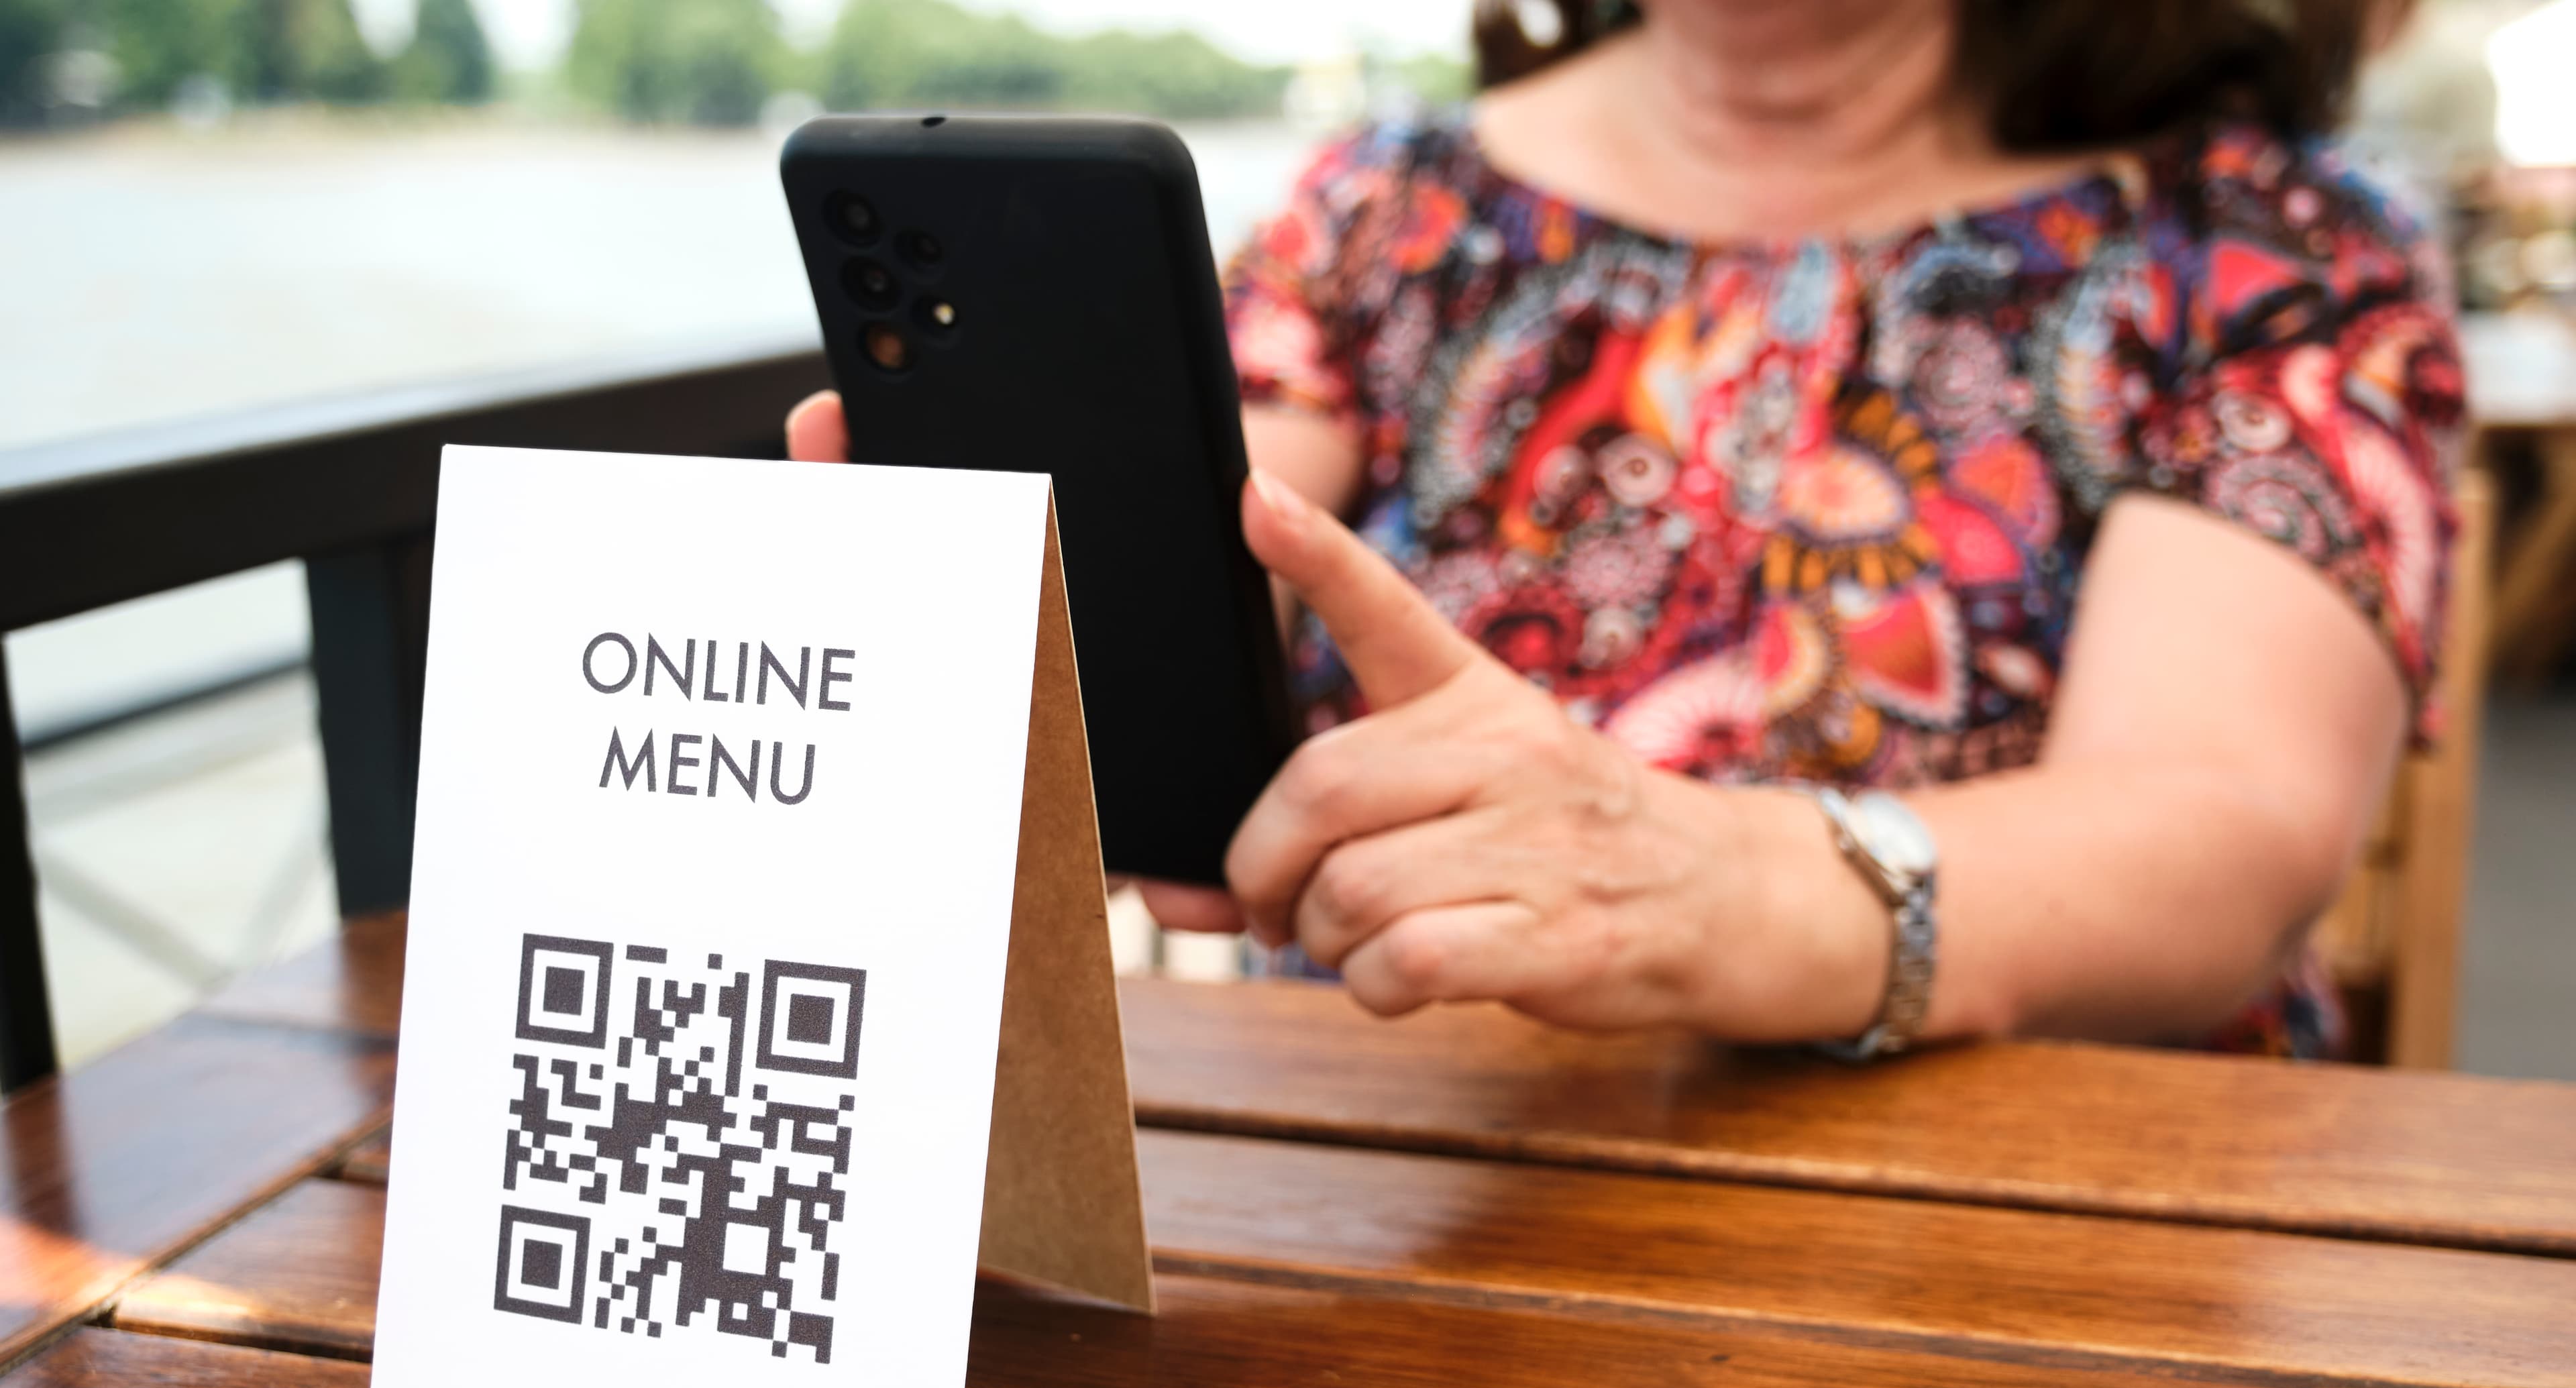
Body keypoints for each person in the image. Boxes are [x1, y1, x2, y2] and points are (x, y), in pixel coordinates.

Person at [789, 0, 2463, 1059]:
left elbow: (2223, 836)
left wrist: (1709, 886)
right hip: (1398, 1218)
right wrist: (946, 638)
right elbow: (1171, 568)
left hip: (2057, 1252)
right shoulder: (1390, 210)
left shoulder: (2267, 243)